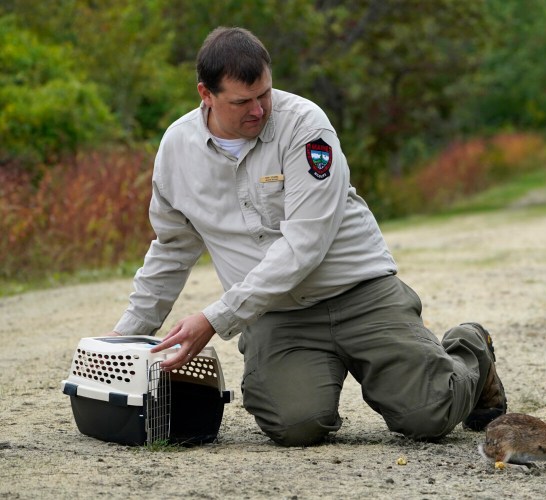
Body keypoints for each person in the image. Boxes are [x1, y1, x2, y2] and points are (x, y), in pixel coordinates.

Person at [109, 26, 507, 447]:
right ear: (205, 94)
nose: (259, 110)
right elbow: (172, 248)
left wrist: (215, 319)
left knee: (429, 415)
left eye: (264, 93)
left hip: (359, 292)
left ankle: (471, 349)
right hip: (277, 313)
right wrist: (126, 337)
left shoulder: (306, 126)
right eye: (242, 101)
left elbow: (305, 244)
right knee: (296, 426)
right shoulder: (177, 149)